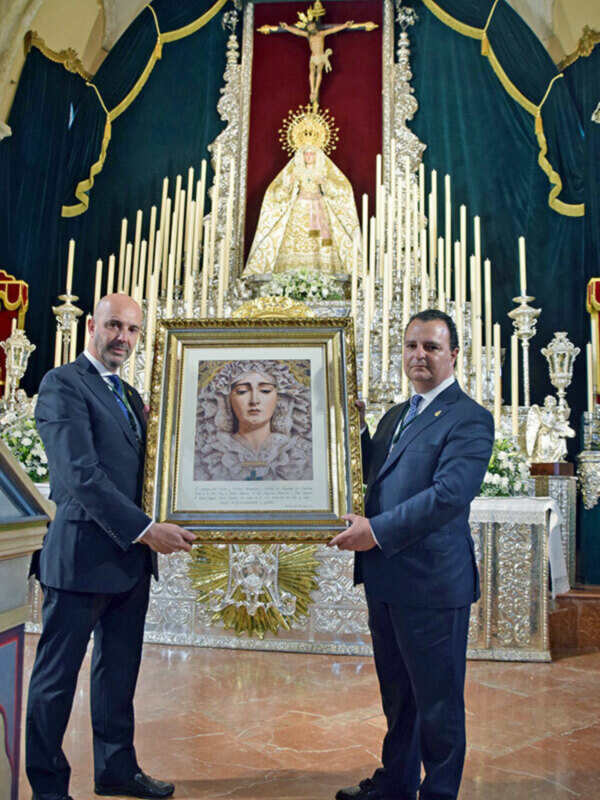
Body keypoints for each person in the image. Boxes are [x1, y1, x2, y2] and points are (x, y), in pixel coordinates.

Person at [27, 294, 196, 800]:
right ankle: (48, 786)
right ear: (91, 328)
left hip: (127, 562)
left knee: (118, 674)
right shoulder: (62, 384)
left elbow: (149, 471)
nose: (122, 337)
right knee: (56, 681)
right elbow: (80, 475)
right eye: (114, 326)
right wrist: (147, 530)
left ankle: (116, 768)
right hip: (80, 557)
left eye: (132, 330)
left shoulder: (128, 393)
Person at [329, 309, 494, 800]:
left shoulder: (470, 418)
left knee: (438, 703)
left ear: (455, 355)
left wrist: (375, 532)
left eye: (432, 347)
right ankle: (396, 783)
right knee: (399, 697)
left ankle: (439, 792)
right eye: (411, 346)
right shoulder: (396, 416)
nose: (419, 356)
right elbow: (374, 477)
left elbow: (447, 496)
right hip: (386, 579)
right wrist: (349, 429)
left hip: (433, 584)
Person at [243, 145, 361, 276]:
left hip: (319, 207)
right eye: (306, 154)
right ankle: (293, 276)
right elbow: (280, 194)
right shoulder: (295, 171)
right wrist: (288, 184)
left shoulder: (323, 171)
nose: (309, 156)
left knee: (321, 240)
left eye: (312, 153)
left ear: (317, 156)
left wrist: (325, 183)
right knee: (296, 238)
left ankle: (323, 274)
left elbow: (340, 190)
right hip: (300, 208)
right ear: (302, 156)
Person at [194, 359, 313, 481]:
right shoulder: (208, 457)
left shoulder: (301, 455)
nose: (254, 400)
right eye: (242, 391)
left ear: (281, 398)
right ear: (226, 400)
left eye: (265, 391)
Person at [279, 17, 354, 104]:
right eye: (309, 28)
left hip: (321, 56)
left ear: (315, 27)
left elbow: (333, 29)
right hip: (313, 57)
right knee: (311, 71)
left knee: (318, 72)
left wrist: (345, 25)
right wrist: (287, 27)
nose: (311, 29)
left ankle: (316, 90)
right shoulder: (308, 35)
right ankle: (312, 91)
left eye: (312, 27)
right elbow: (297, 31)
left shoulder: (322, 33)